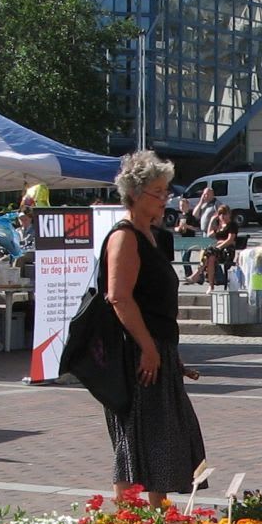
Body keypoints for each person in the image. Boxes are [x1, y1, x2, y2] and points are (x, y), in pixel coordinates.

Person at [101, 150, 205, 505]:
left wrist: (168, 355)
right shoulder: (124, 236)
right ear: (134, 193)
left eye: (166, 190)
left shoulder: (157, 237)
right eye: (157, 191)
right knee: (137, 434)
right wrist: (147, 348)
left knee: (164, 435)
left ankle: (157, 517)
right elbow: (118, 298)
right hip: (133, 351)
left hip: (157, 348)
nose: (165, 198)